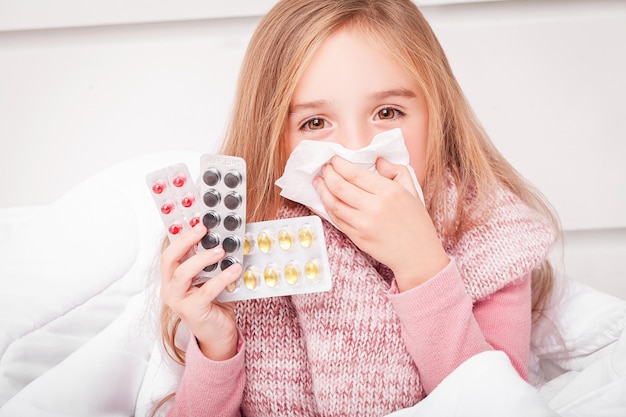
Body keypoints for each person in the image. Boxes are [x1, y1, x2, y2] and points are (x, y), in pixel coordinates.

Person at [157, 0, 559, 416]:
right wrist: (216, 345)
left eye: (388, 113)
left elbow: (498, 403)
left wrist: (422, 266)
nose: (354, 149)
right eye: (315, 123)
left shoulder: (490, 234)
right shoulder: (246, 244)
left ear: (437, 114)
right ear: (273, 135)